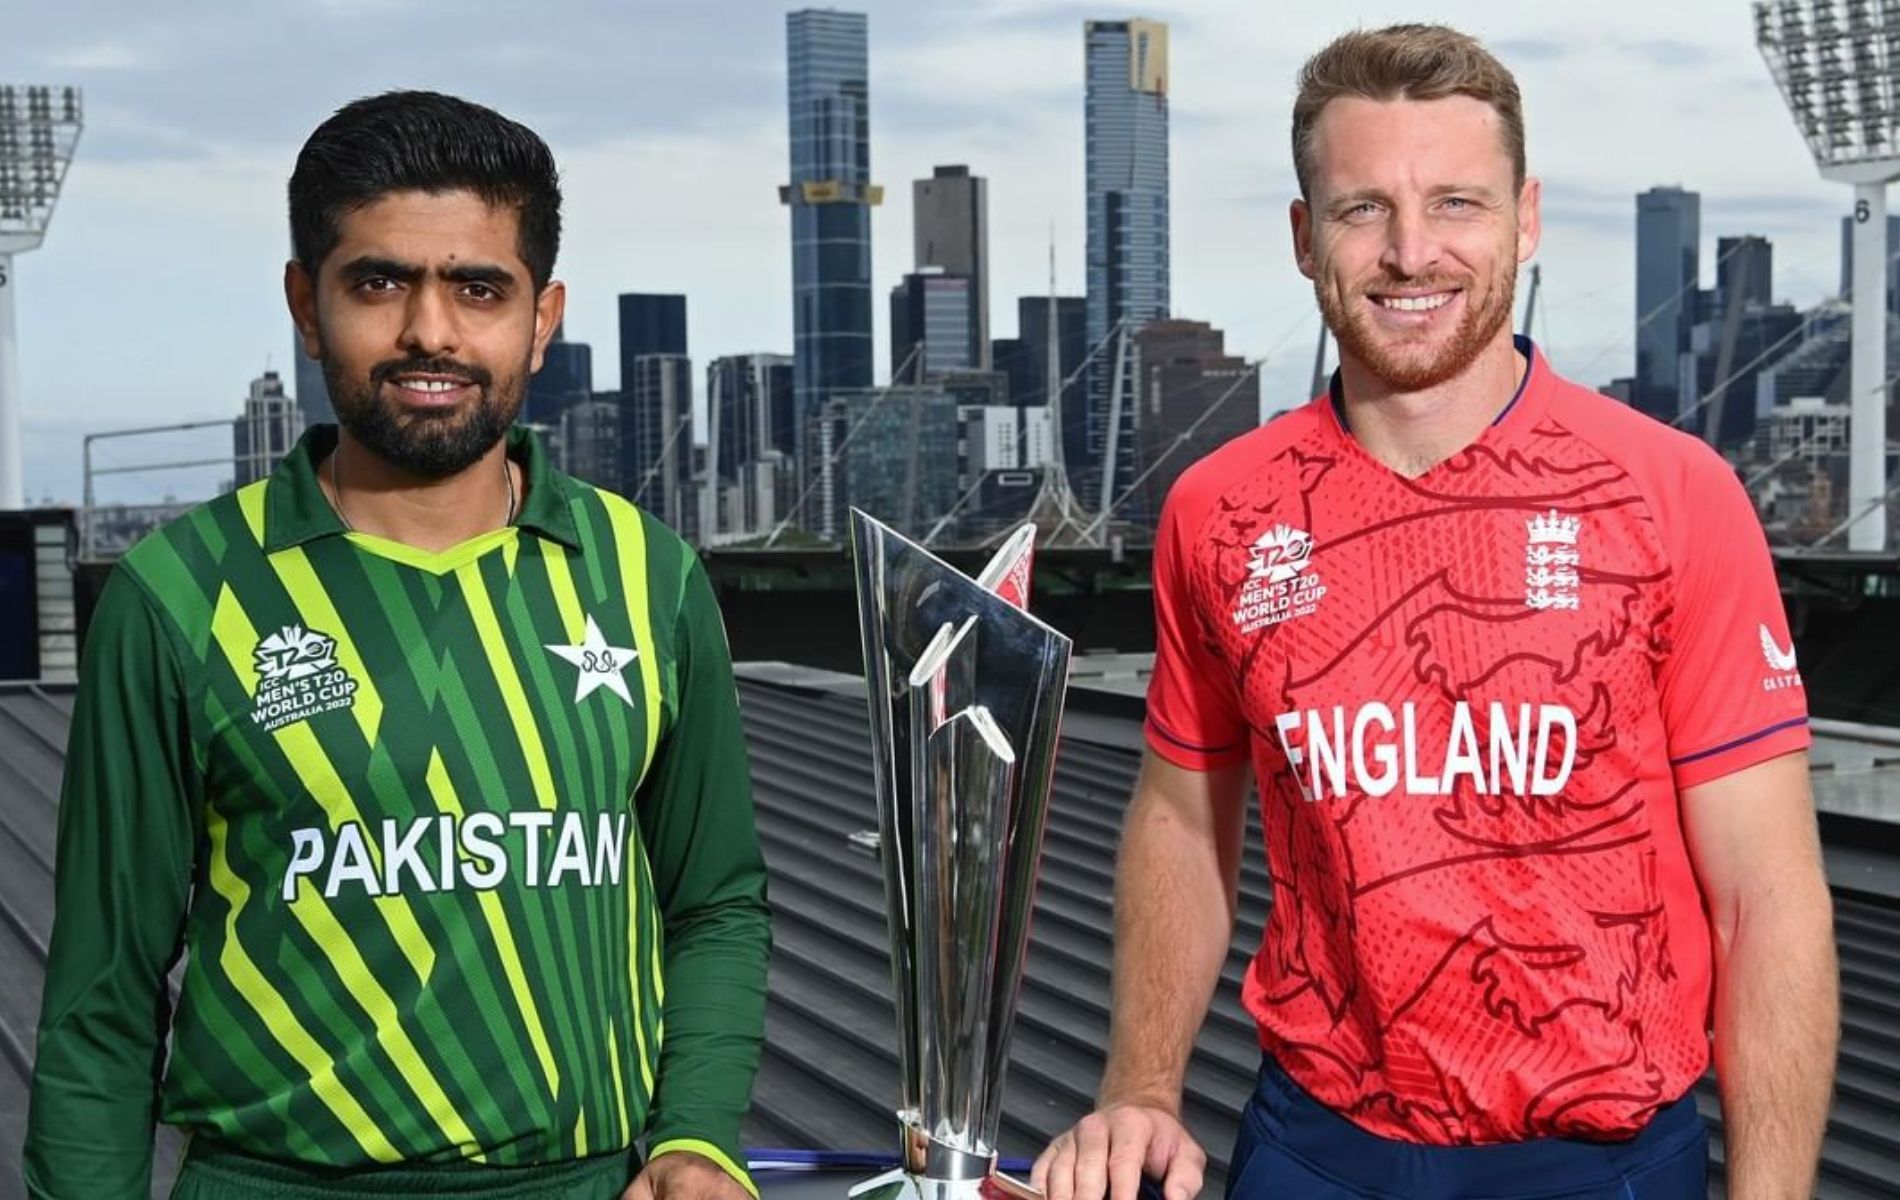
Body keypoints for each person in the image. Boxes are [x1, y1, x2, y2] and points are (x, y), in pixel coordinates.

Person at [1032, 25, 1837, 1200]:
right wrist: (1143, 1085)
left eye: (1455, 201)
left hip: (1598, 1161)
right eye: (1363, 210)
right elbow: (1181, 817)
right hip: (1315, 1147)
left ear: (1525, 218)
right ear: (1307, 240)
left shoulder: (1669, 496)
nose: (1411, 253)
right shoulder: (1222, 511)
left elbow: (1766, 895)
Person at [25, 91, 770, 1200]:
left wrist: (698, 1137)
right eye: (379, 282)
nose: (431, 330)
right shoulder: (176, 595)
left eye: (479, 288)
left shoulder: (646, 574)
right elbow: (102, 1000)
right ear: (306, 304)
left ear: (543, 315)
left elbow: (713, 903)